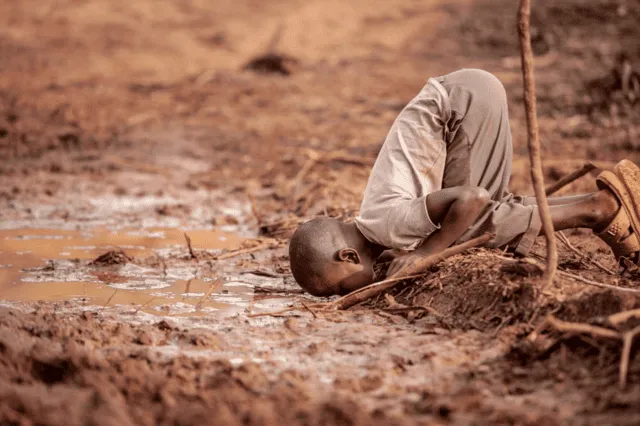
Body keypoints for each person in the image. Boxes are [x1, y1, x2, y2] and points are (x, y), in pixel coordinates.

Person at [288, 69, 640, 297]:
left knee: (469, 227)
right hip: (465, 95)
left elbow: (471, 198)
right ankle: (610, 206)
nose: (346, 295)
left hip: (460, 108)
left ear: (348, 256)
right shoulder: (378, 223)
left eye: (340, 289)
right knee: (483, 216)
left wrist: (425, 253)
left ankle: (599, 209)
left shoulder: (387, 225)